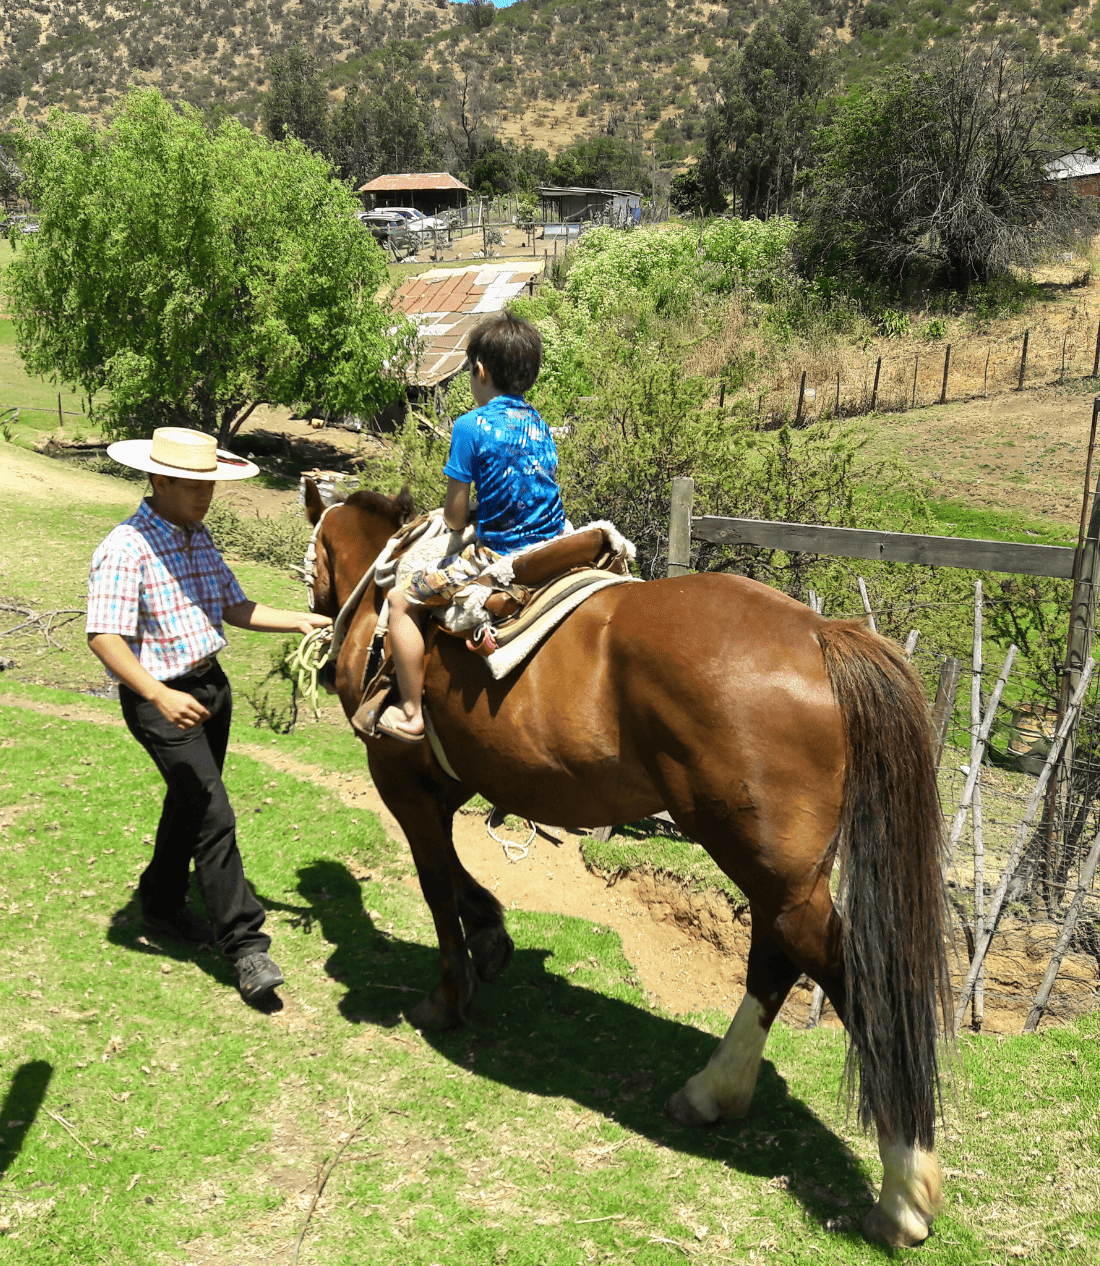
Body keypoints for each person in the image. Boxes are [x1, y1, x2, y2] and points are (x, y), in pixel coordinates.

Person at [86, 427, 332, 1004]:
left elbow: (235, 605)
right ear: (160, 479)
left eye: (211, 484)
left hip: (208, 691)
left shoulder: (197, 537)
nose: (208, 495)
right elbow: (104, 637)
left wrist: (301, 620)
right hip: (162, 700)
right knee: (214, 813)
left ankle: (161, 904)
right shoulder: (125, 547)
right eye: (196, 485)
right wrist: (158, 696)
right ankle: (247, 948)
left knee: (191, 803)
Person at [379, 310, 565, 743]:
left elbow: (455, 518)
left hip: (501, 555)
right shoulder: (540, 423)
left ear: (480, 370)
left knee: (400, 600)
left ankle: (409, 713)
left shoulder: (470, 426)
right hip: (554, 544)